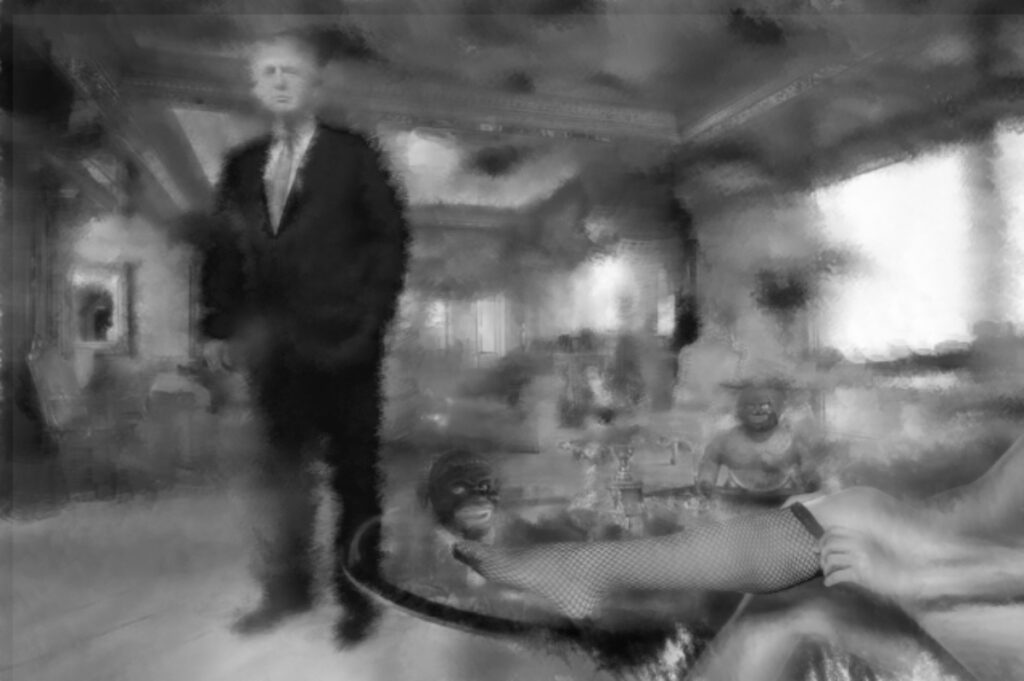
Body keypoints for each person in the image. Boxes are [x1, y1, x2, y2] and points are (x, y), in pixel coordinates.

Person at [198, 29, 410, 646]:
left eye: (291, 71)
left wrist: (372, 321)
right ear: (255, 87)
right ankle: (287, 592)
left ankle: (360, 598)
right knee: (283, 479)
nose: (280, 81)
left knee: (355, 480)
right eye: (268, 72)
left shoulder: (355, 155)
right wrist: (217, 324)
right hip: (274, 353)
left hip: (348, 346)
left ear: (314, 84)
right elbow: (222, 250)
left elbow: (390, 240)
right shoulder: (240, 165)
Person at [451, 430, 1024, 623]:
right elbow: (984, 504)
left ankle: (578, 573)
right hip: (954, 534)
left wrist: (917, 580)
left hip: (961, 553)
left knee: (843, 527)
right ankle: (580, 573)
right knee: (850, 512)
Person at [695, 381, 820, 496]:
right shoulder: (725, 440)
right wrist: (706, 481)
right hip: (736, 497)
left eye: (764, 406)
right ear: (740, 409)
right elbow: (711, 461)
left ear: (778, 408)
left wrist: (811, 480)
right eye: (751, 406)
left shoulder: (792, 440)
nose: (757, 411)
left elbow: (808, 464)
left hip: (782, 497)